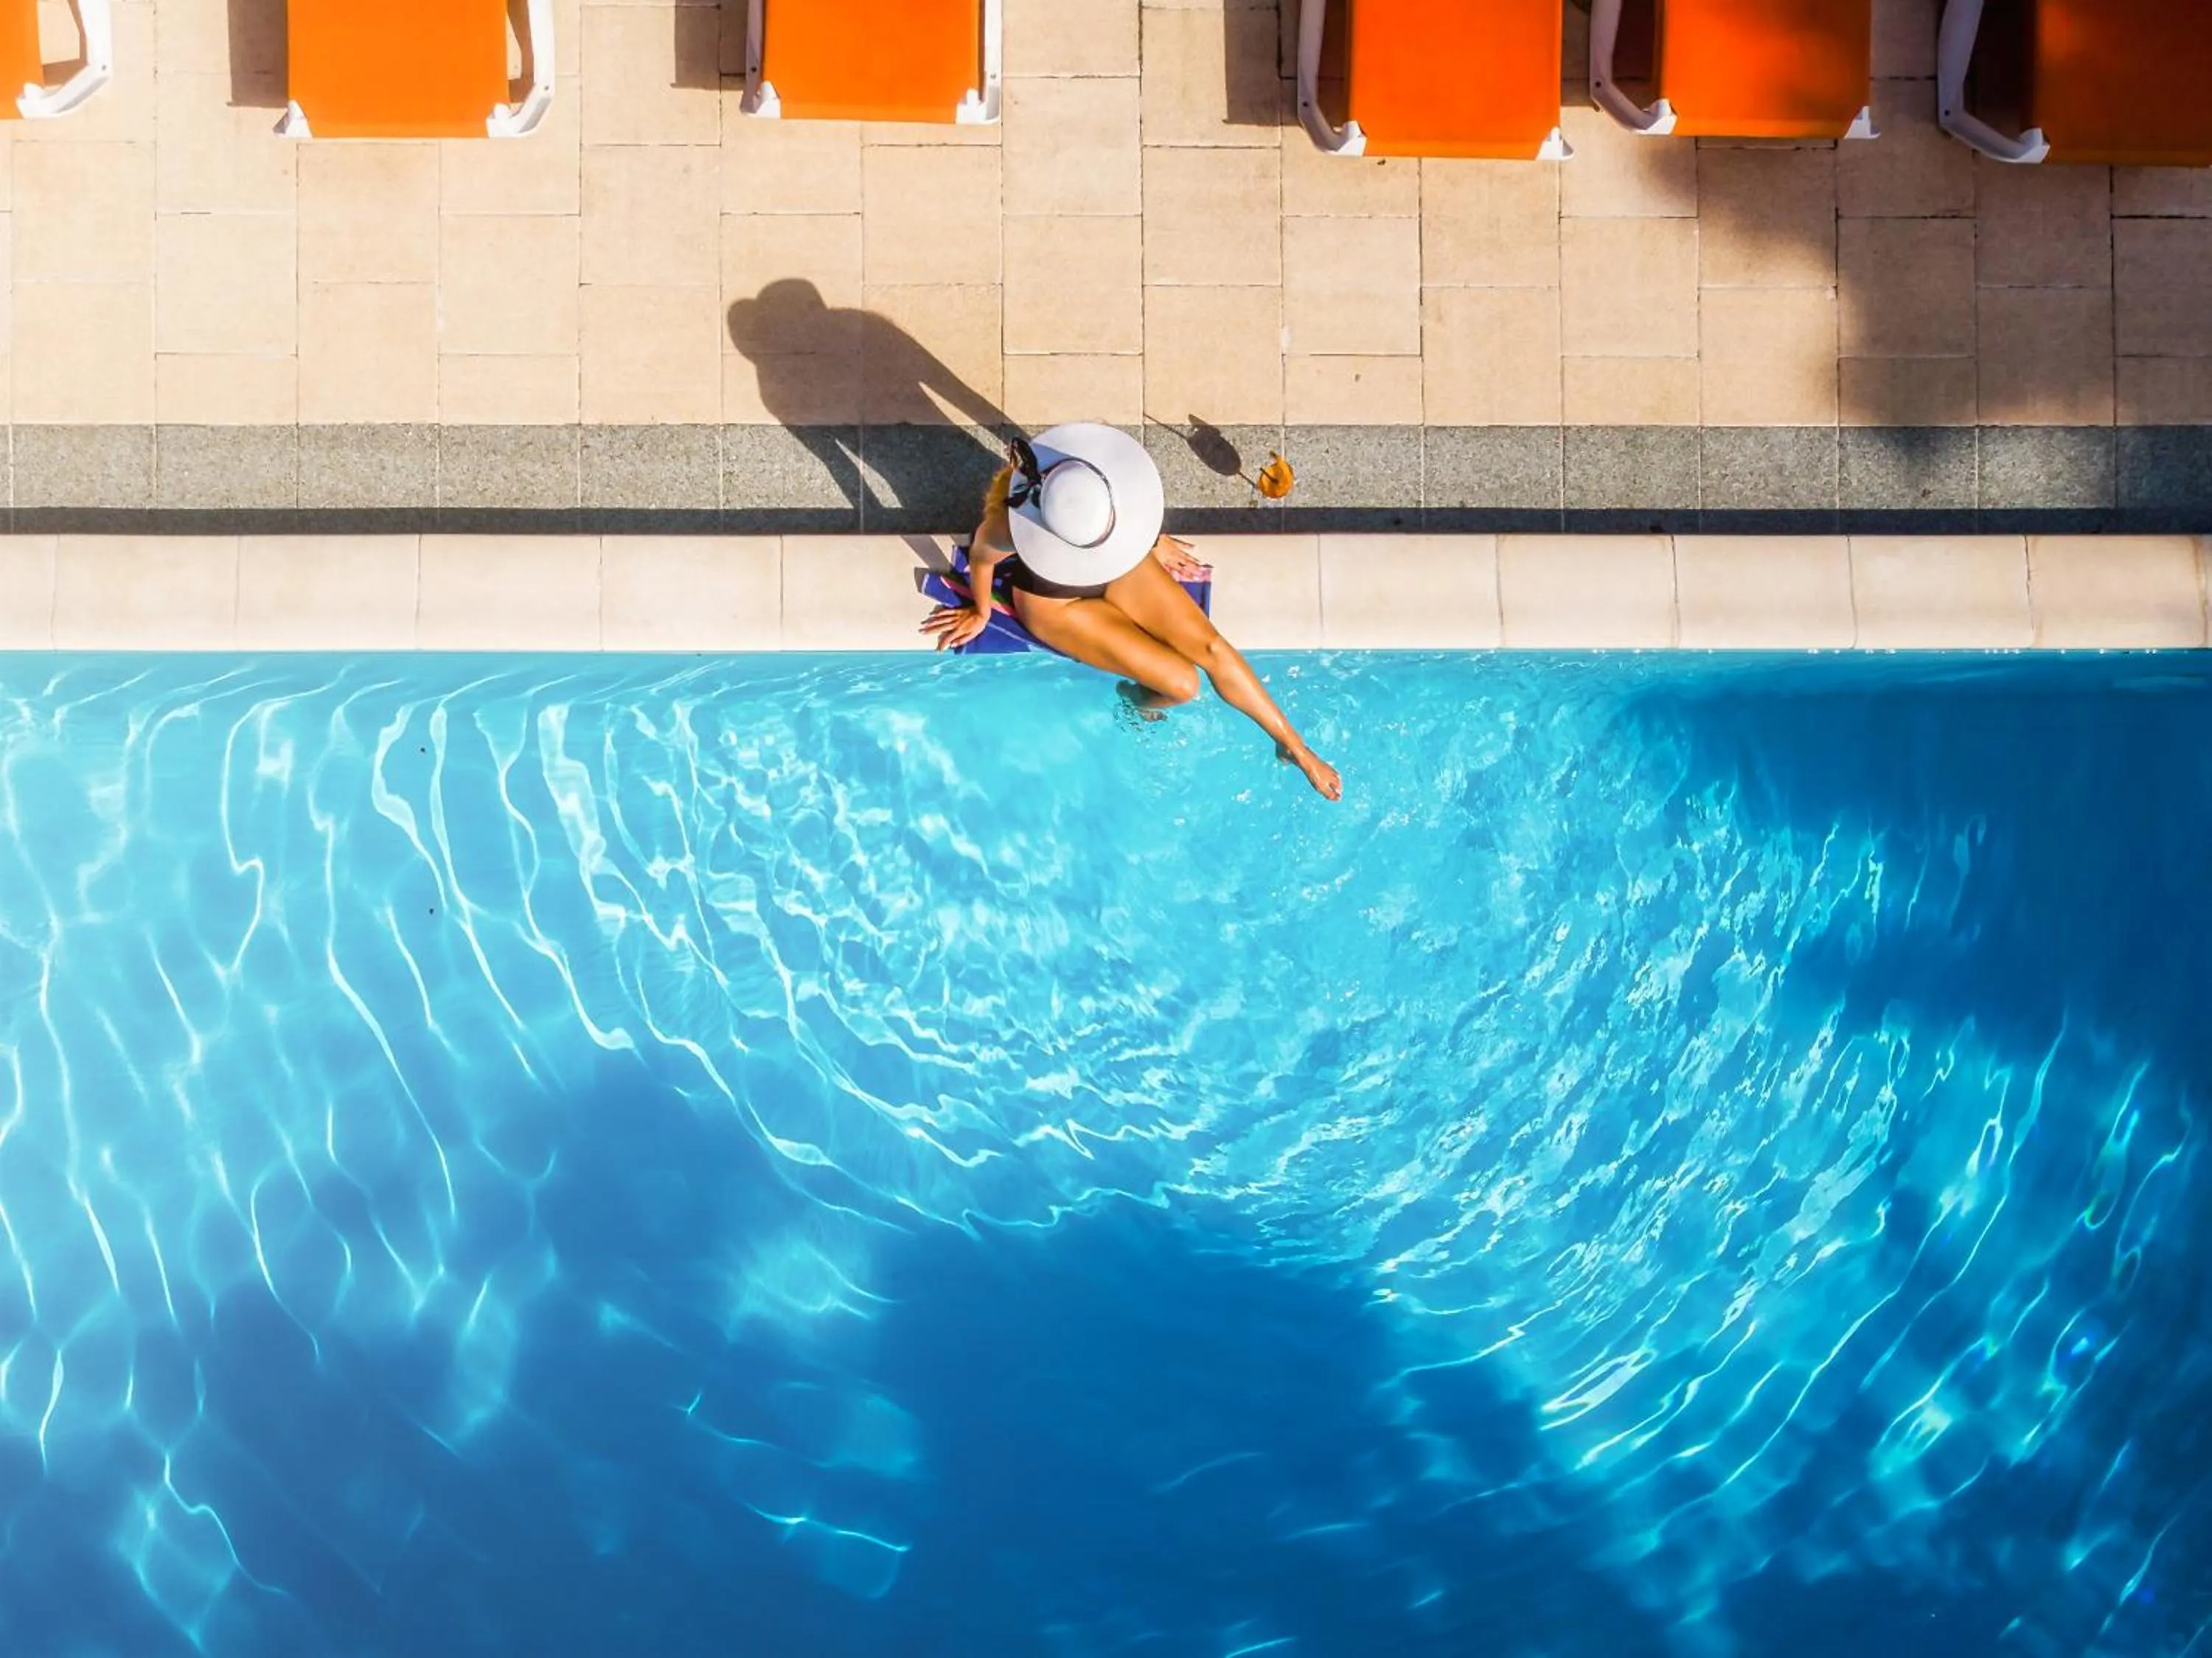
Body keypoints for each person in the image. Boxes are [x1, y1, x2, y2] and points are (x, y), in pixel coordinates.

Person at [922, 423, 1341, 801]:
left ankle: (1290, 745)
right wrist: (980, 611)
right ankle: (1133, 701)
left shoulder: (1088, 483)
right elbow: (981, 556)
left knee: (1209, 648)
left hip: (1116, 566)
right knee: (1182, 685)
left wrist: (1299, 748)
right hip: (1055, 602)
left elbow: (1215, 650)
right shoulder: (1010, 530)